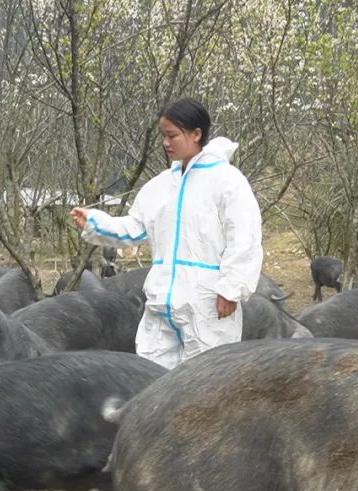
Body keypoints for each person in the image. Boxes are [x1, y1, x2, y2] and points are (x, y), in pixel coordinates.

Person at [70, 98, 263, 369]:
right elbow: (136, 229)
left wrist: (231, 289)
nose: (166, 142)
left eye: (172, 135)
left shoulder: (227, 181)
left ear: (196, 134)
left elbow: (244, 238)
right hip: (162, 301)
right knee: (153, 377)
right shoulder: (160, 186)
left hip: (207, 304)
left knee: (204, 381)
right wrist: (96, 222)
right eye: (163, 136)